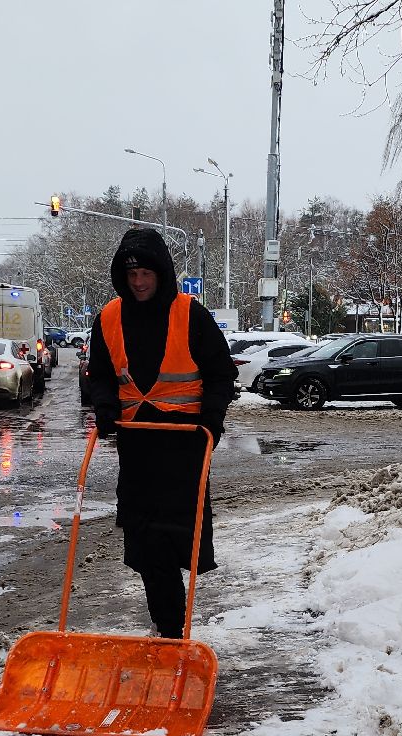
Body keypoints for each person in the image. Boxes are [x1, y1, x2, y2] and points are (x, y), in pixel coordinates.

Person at [85, 228, 236, 640]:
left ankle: (172, 624)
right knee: (146, 545)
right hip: (137, 448)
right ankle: (168, 626)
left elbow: (222, 374)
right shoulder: (109, 318)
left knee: (176, 540)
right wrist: (105, 408)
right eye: (131, 274)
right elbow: (98, 376)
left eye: (146, 273)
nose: (138, 283)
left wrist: (211, 419)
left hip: (185, 447)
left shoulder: (191, 314)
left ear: (162, 273)